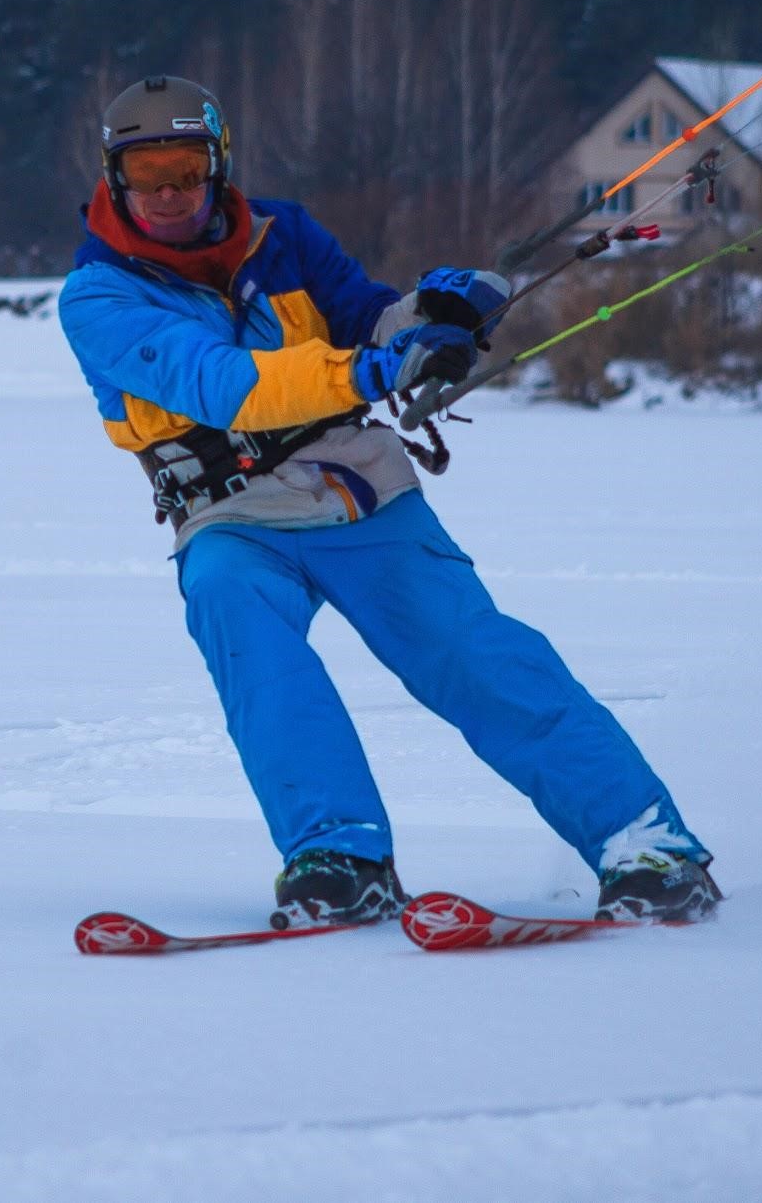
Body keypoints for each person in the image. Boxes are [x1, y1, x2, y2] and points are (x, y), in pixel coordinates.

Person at [57, 75, 718, 927]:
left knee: (476, 657)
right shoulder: (99, 295)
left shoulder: (283, 233)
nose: (169, 194)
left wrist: (432, 313)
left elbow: (366, 318)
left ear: (218, 165)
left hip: (356, 491)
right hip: (231, 521)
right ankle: (339, 854)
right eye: (148, 174)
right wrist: (371, 371)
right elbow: (224, 386)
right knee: (251, 643)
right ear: (115, 179)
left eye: (186, 168)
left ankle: (648, 846)